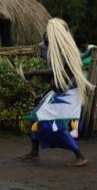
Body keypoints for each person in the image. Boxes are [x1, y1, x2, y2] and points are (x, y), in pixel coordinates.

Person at [19, 19, 92, 167]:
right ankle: (34, 152)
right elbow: (56, 79)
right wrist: (43, 96)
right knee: (35, 116)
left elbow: (57, 72)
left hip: (69, 92)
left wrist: (33, 73)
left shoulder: (66, 50)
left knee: (56, 124)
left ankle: (80, 156)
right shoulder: (58, 48)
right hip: (60, 90)